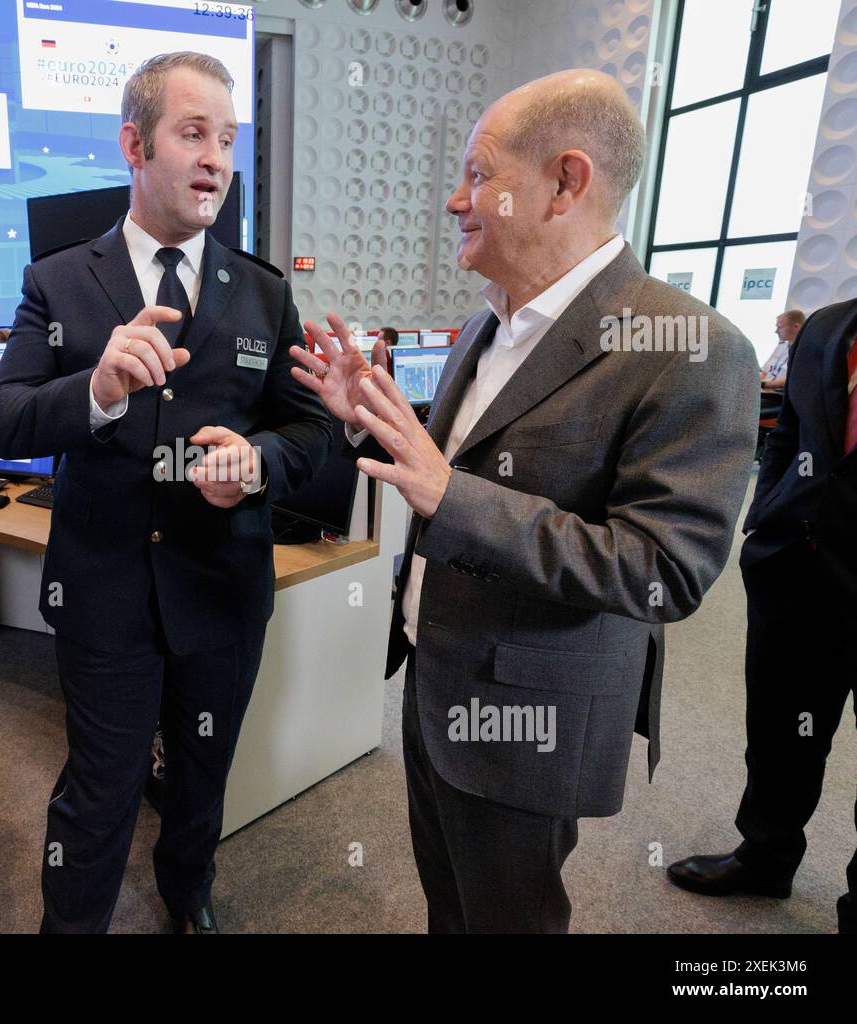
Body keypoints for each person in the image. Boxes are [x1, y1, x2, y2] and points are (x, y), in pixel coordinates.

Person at [290, 69, 760, 933]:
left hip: (530, 719)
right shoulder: (487, 320)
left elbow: (664, 569)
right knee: (451, 910)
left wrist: (450, 493)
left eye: (477, 174)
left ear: (565, 183)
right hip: (436, 681)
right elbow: (447, 466)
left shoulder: (692, 349)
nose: (453, 200)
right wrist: (369, 425)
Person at [0, 51, 332, 934]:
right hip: (104, 593)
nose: (215, 158)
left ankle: (187, 897)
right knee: (99, 790)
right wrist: (95, 391)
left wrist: (257, 463)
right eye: (192, 133)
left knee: (204, 778)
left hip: (221, 588)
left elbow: (312, 437)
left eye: (226, 138)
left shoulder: (262, 290)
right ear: (135, 145)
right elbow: (5, 420)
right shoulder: (58, 281)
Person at [667, 299, 857, 934]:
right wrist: (762, 520)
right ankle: (768, 855)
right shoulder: (830, 326)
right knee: (780, 729)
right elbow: (791, 436)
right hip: (798, 566)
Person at [760, 309, 804, 391]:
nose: (776, 331)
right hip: (766, 390)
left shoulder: (806, 350)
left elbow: (791, 380)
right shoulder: (782, 346)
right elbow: (764, 372)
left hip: (780, 395)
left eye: (779, 327)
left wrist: (763, 385)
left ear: (796, 327)